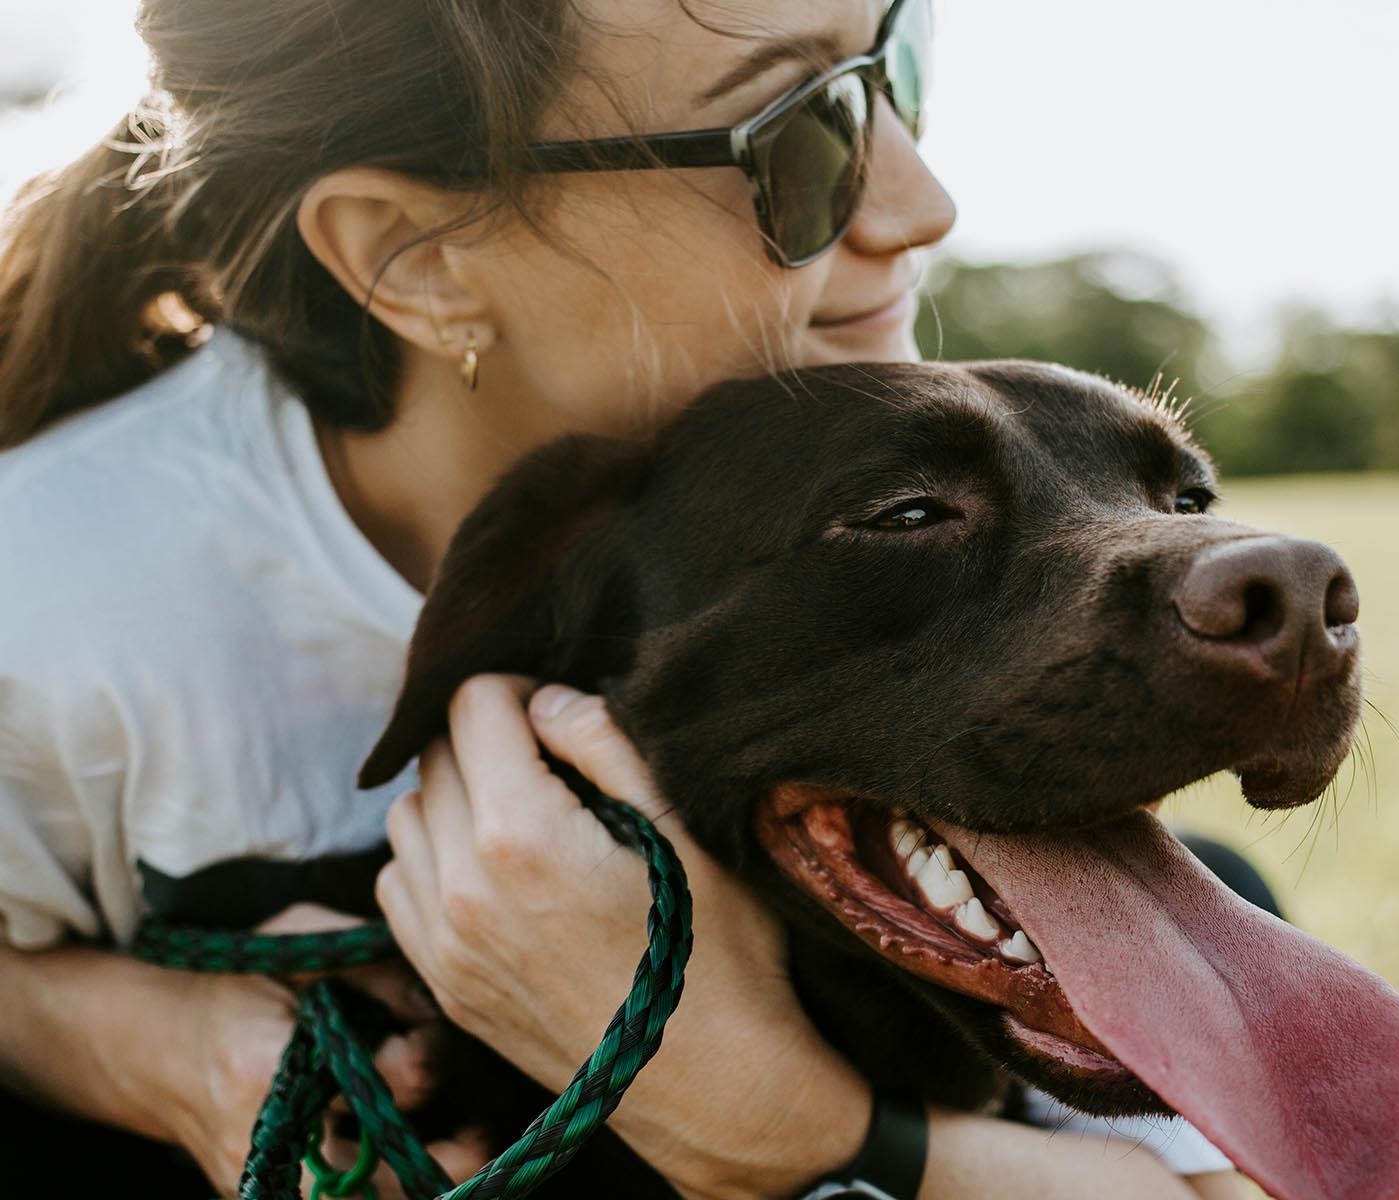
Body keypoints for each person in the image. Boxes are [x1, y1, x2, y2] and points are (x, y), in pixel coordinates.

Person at [0, 1, 1251, 1196]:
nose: (923, 203)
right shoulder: (54, 590)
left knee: (1227, 881)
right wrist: (157, 1047)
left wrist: (769, 1120)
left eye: (893, 64)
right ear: (416, 255)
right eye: (796, 133)